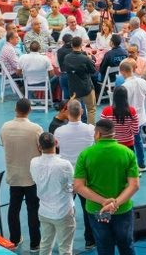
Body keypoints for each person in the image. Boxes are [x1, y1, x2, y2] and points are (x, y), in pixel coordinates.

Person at [74, 119, 140, 254]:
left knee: (104, 246)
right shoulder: (127, 153)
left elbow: (78, 186)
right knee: (126, 245)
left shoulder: (85, 154)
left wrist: (104, 202)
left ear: (98, 134)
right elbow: (134, 185)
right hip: (122, 209)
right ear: (113, 133)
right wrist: (115, 203)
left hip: (97, 210)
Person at [0, 98, 44, 251]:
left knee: (14, 207)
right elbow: (42, 149)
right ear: (30, 110)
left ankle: (14, 238)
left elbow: (4, 143)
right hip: (32, 176)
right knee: (33, 209)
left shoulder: (5, 127)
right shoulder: (35, 129)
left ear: (15, 109)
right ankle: (35, 243)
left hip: (14, 175)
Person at [53, 100, 96, 249]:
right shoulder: (91, 129)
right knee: (88, 208)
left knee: (65, 209)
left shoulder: (59, 132)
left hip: (67, 177)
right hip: (85, 176)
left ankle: (64, 242)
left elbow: (57, 149)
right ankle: (90, 240)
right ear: (82, 112)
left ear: (67, 112)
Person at [30, 132, 76, 255]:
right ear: (56, 143)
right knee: (65, 248)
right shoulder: (64, 164)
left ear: (39, 147)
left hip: (44, 211)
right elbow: (74, 185)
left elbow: (35, 179)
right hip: (63, 211)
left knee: (45, 244)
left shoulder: (33, 162)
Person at [64, 37, 97, 122]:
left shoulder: (67, 58)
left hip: (73, 88)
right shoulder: (85, 58)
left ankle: (75, 127)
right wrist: (90, 59)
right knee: (91, 109)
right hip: (86, 87)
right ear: (81, 45)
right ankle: (91, 128)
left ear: (72, 45)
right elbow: (93, 71)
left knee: (74, 111)